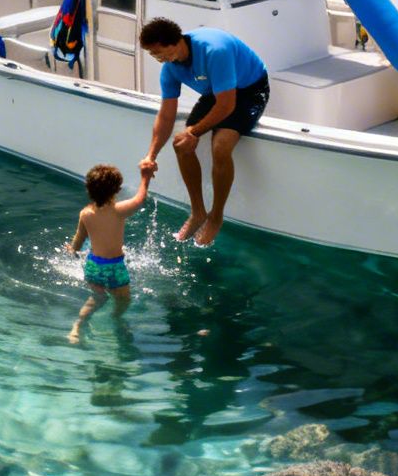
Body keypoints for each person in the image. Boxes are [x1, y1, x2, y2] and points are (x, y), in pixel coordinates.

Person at [138, 17, 269, 248]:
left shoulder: (213, 51)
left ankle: (216, 216)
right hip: (217, 92)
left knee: (220, 146)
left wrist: (195, 132)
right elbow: (166, 115)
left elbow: (227, 105)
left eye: (158, 53)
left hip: (250, 90)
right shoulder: (170, 69)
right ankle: (198, 212)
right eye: (152, 55)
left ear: (174, 42)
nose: (158, 59)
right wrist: (151, 155)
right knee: (181, 143)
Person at [67, 162, 155, 343]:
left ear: (89, 190)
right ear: (116, 190)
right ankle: (116, 319)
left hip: (93, 265)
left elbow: (80, 237)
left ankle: (77, 327)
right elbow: (140, 199)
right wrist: (145, 177)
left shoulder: (85, 213)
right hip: (114, 267)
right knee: (123, 300)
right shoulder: (118, 210)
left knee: (97, 298)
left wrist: (72, 249)